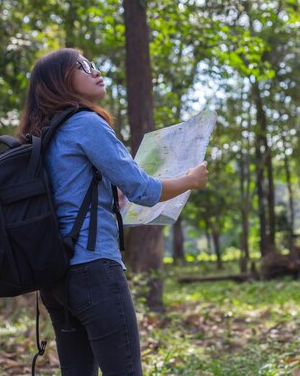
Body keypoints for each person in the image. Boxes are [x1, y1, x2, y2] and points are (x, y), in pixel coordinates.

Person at [16, 48, 209, 376]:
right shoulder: (85, 122)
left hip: (55, 277)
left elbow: (67, 193)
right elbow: (145, 191)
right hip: (94, 269)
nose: (95, 70)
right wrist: (190, 180)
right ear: (60, 81)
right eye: (83, 66)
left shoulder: (42, 134)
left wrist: (108, 191)